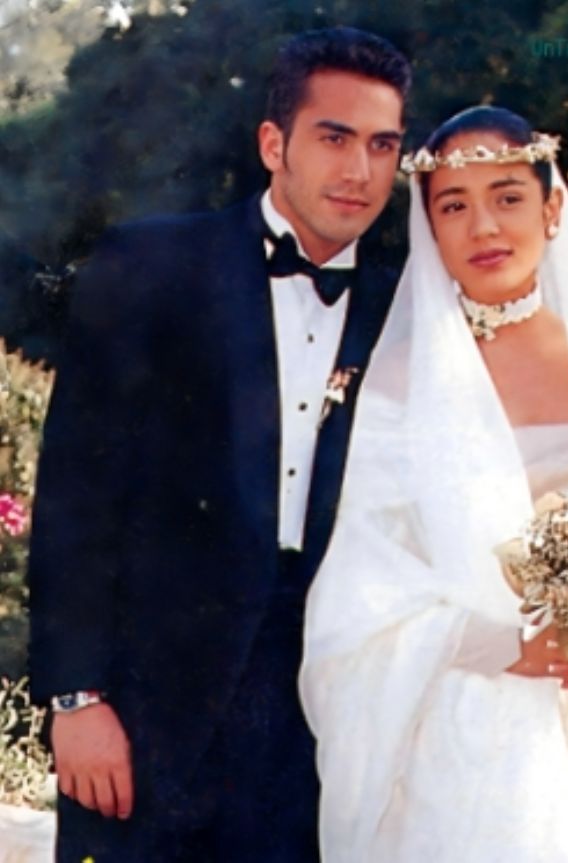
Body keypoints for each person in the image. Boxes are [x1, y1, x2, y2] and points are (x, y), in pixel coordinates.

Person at [300, 106, 568, 863]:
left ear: (551, 209)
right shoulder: (404, 386)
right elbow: (364, 590)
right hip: (465, 753)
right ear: (430, 229)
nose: (484, 227)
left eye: (507, 197)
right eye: (453, 206)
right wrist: (506, 644)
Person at [27, 26, 410, 862]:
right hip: (147, 716)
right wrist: (76, 697)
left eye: (383, 145)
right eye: (334, 137)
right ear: (274, 144)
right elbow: (75, 496)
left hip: (323, 726)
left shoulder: (409, 313)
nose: (359, 170)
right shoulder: (149, 264)